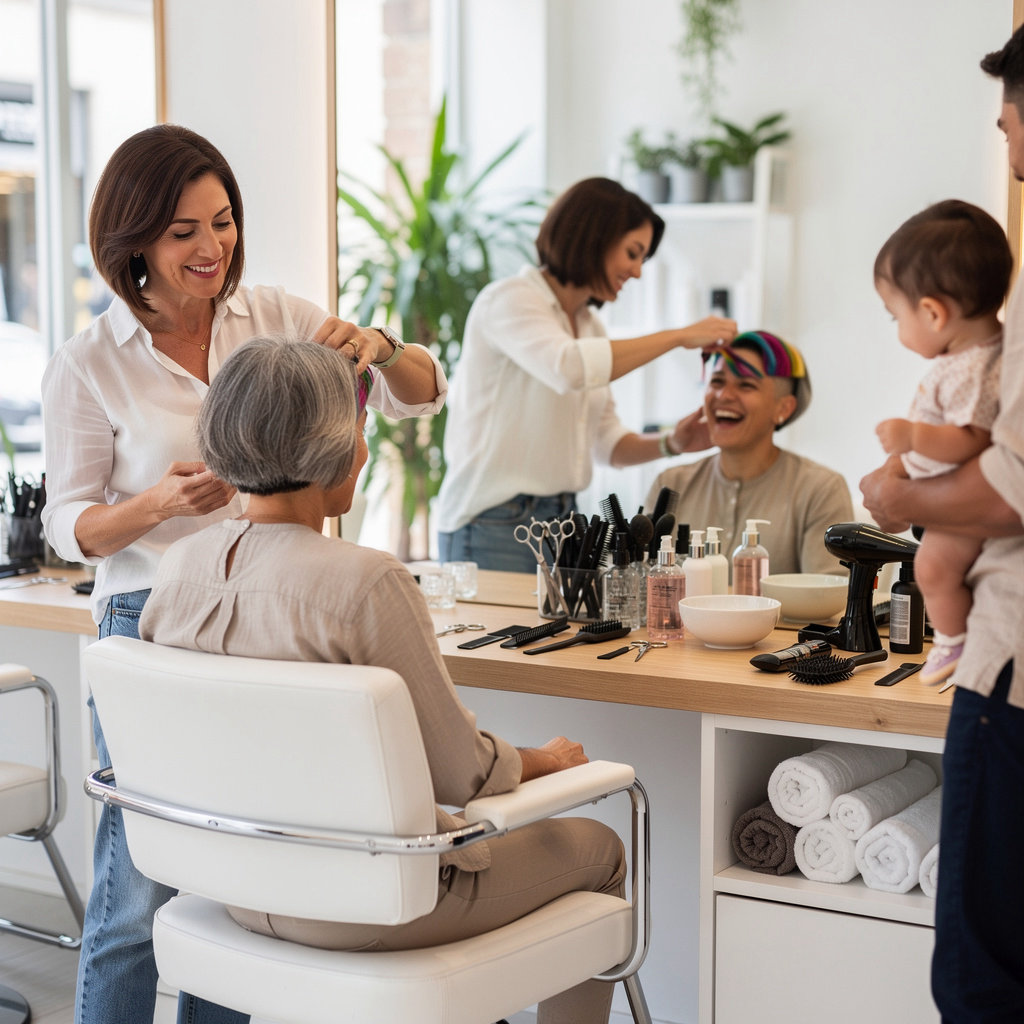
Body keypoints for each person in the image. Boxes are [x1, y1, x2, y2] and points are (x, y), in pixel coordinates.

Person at [40, 124, 447, 1024]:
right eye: (183, 231)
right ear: (134, 239)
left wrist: (379, 344)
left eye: (222, 221)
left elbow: (424, 386)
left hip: (265, 614)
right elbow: (71, 526)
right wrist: (155, 507)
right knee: (134, 897)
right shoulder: (90, 361)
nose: (211, 247)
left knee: (235, 882)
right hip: (150, 618)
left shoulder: (275, 316)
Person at [138, 335, 627, 1024]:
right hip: (370, 905)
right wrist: (548, 761)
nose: (364, 451)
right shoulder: (365, 582)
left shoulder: (179, 569)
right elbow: (461, 772)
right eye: (361, 431)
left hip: (236, 886)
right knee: (602, 848)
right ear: (334, 448)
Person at [860, 26, 1024, 1022]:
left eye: (1010, 124)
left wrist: (899, 499)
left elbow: (1005, 482)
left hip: (1012, 680)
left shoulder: (976, 363)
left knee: (981, 972)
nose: (1009, 148)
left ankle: (948, 630)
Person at [435, 175, 737, 572]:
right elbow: (570, 368)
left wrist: (673, 443)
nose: (637, 271)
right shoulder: (510, 300)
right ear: (594, 236)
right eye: (632, 253)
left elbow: (607, 443)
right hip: (496, 523)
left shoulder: (590, 327)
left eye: (643, 259)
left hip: (566, 524)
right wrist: (680, 336)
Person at [873, 200, 1010, 686]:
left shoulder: (971, 368)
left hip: (962, 504)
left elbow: (968, 440)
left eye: (895, 316)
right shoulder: (987, 353)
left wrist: (912, 437)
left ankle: (954, 641)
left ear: (932, 312)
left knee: (931, 567)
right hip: (948, 492)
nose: (897, 329)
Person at [645, 330, 853, 575]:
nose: (724, 395)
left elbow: (827, 599)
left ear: (783, 408)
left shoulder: (820, 490)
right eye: (717, 382)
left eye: (746, 385)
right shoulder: (671, 484)